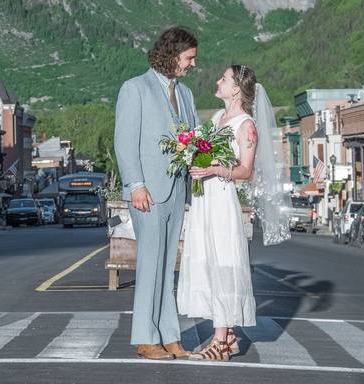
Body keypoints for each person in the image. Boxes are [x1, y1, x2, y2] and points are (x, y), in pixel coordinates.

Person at [177, 64, 292, 361]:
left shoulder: (246, 125)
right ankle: (228, 338)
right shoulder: (217, 118)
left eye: (224, 79)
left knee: (223, 262)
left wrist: (214, 168)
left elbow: (246, 170)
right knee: (208, 262)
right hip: (204, 198)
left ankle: (218, 341)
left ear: (237, 88)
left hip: (222, 199)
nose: (218, 81)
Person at [114, 26, 199, 360]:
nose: (192, 64)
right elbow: (124, 141)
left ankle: (170, 337)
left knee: (167, 267)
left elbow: (193, 138)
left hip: (177, 190)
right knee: (150, 264)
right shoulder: (135, 88)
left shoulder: (187, 95)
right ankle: (145, 337)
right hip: (147, 192)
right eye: (189, 57)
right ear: (173, 53)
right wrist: (135, 184)